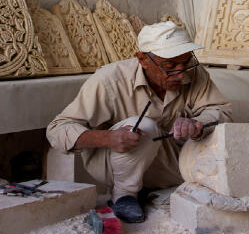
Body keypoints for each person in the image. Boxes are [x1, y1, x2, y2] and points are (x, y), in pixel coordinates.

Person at [46, 21, 232, 222]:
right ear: (143, 59)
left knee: (222, 152)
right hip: (117, 163)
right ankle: (125, 196)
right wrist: (107, 138)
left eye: (186, 63)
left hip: (167, 161)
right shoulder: (109, 80)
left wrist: (197, 123)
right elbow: (57, 130)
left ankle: (155, 189)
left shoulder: (192, 73)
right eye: (170, 67)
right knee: (144, 127)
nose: (181, 73)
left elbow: (222, 111)